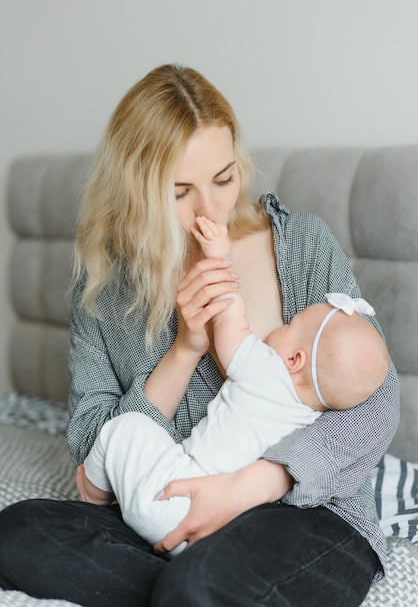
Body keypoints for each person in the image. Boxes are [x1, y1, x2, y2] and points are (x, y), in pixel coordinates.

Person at [0, 64, 399, 607]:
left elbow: (376, 400)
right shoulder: (105, 287)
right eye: (180, 191)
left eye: (225, 178)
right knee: (18, 531)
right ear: (135, 189)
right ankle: (190, 588)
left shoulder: (302, 245)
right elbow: (95, 452)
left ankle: (192, 588)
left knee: (199, 584)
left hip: (303, 513)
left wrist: (246, 488)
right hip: (167, 511)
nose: (211, 210)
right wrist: (185, 349)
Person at [77, 216, 390, 557]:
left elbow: (229, 321)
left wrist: (216, 257)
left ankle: (93, 492)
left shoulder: (265, 371)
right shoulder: (312, 415)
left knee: (126, 427)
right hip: (226, 523)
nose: (281, 326)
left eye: (292, 324)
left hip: (178, 495)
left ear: (294, 359)